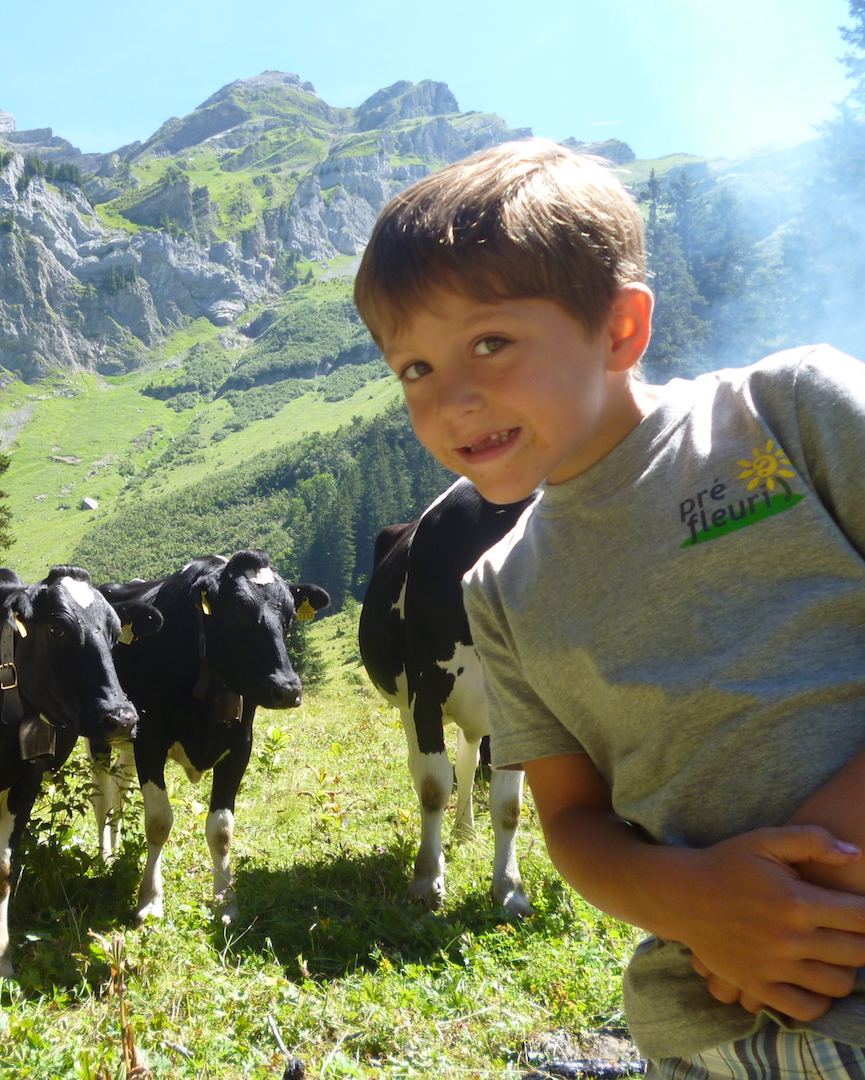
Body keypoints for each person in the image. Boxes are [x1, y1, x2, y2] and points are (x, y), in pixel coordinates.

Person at [353, 138, 865, 1077]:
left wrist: (805, 880)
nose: (452, 400)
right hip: (708, 1018)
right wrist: (704, 905)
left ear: (621, 331)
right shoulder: (500, 591)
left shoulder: (790, 414)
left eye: (490, 343)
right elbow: (573, 824)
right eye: (414, 370)